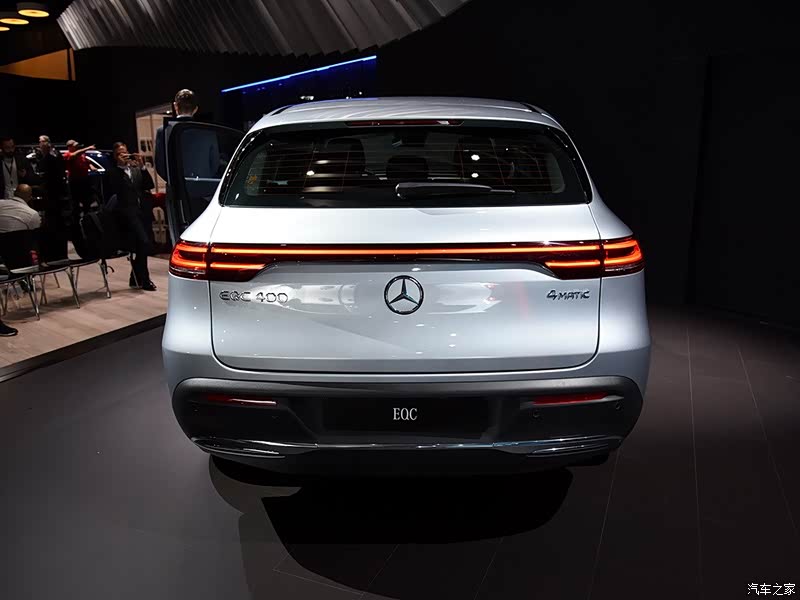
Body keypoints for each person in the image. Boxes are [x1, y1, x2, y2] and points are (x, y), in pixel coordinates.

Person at [107, 142, 157, 291]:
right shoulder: (113, 172)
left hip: (142, 212)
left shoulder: (135, 169)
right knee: (143, 242)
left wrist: (142, 167)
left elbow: (149, 185)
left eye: (125, 152)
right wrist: (121, 167)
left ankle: (134, 278)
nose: (124, 156)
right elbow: (114, 188)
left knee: (142, 245)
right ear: (115, 156)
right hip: (127, 214)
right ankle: (145, 280)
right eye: (120, 154)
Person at [155, 88, 219, 182]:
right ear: (196, 109)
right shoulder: (208, 131)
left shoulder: (163, 131)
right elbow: (215, 164)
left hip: (176, 188)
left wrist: (175, 182)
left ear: (175, 106)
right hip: (203, 187)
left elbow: (160, 166)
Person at [36, 135, 70, 261]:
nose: (40, 144)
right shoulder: (48, 155)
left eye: (41, 142)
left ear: (47, 143)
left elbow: (55, 174)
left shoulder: (52, 156)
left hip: (55, 196)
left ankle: (57, 255)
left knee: (56, 224)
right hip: (52, 195)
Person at [64, 139, 97, 217]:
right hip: (75, 181)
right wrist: (88, 148)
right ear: (69, 147)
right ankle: (76, 219)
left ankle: (87, 218)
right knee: (75, 202)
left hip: (84, 180)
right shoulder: (67, 154)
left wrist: (91, 166)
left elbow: (87, 162)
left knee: (86, 201)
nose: (77, 147)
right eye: (75, 146)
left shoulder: (81, 154)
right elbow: (74, 155)